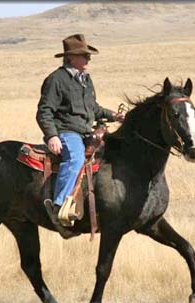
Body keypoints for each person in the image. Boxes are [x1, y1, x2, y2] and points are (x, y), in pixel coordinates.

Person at [36, 33, 123, 237]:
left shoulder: (85, 80)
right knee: (75, 159)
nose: (88, 58)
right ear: (71, 57)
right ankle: (59, 207)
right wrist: (52, 136)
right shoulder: (56, 80)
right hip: (66, 132)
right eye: (84, 55)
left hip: (86, 132)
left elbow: (94, 108)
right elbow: (44, 111)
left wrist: (115, 116)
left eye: (88, 55)